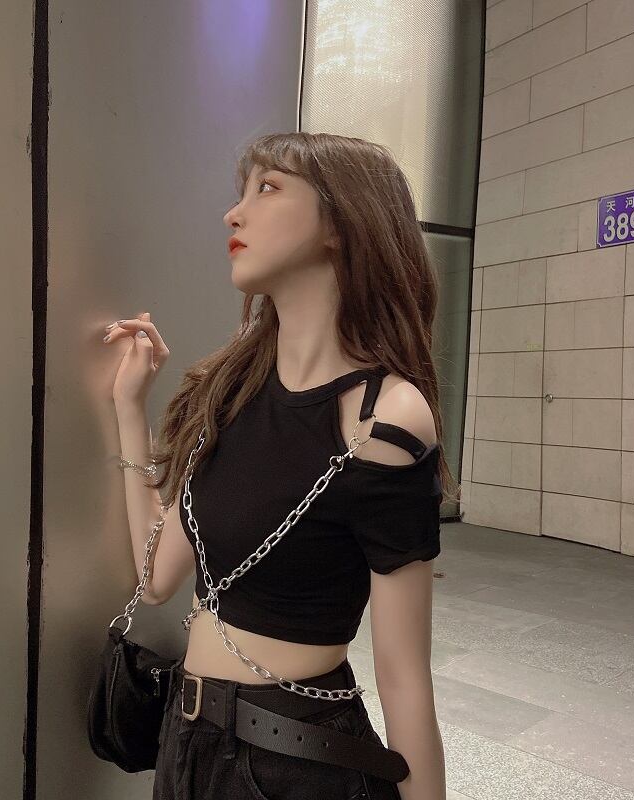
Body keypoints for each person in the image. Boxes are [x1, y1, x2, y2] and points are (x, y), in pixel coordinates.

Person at [103, 132, 457, 799]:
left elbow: (405, 677)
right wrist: (129, 408)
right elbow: (157, 578)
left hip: (292, 764)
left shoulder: (385, 417)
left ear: (340, 224)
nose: (234, 213)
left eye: (267, 188)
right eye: (243, 192)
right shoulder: (231, 391)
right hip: (186, 745)